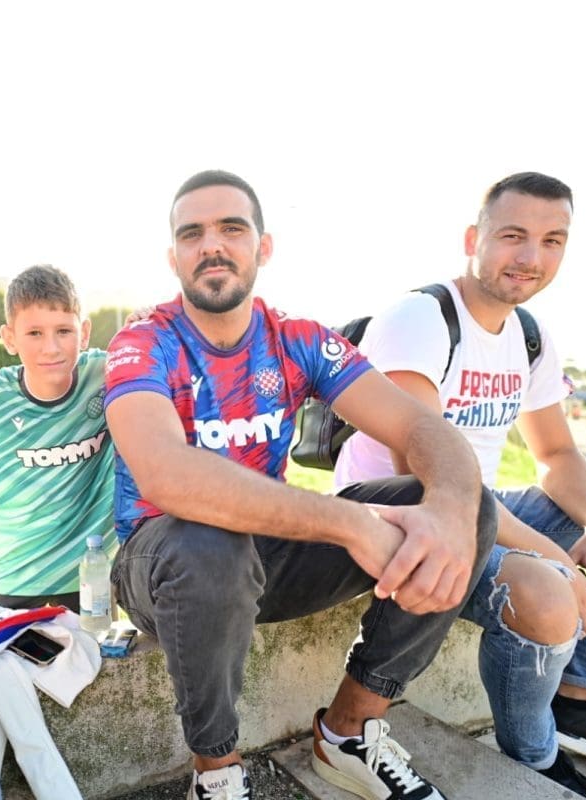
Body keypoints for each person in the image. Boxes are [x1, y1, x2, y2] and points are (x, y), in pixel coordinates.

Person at [104, 169, 498, 800]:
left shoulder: (297, 339)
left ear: (262, 247)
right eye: (192, 233)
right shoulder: (143, 341)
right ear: (173, 256)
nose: (212, 245)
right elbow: (166, 475)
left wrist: (450, 507)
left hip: (267, 555)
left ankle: (348, 732)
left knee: (468, 507)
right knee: (209, 543)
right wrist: (350, 523)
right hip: (162, 563)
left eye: (232, 229)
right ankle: (216, 771)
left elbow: (421, 426)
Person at [334, 172, 586, 798]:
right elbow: (430, 479)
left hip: (486, 505)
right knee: (549, 594)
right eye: (513, 235)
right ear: (472, 240)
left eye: (552, 240)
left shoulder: (529, 335)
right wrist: (555, 555)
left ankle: (583, 699)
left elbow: (555, 452)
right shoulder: (421, 319)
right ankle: (534, 755)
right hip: (406, 515)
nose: (532, 257)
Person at [0, 264, 116, 611]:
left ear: (84, 333)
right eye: (34, 333)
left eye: (64, 331)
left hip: (90, 580)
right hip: (12, 581)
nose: (51, 348)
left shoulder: (108, 374)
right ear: (10, 338)